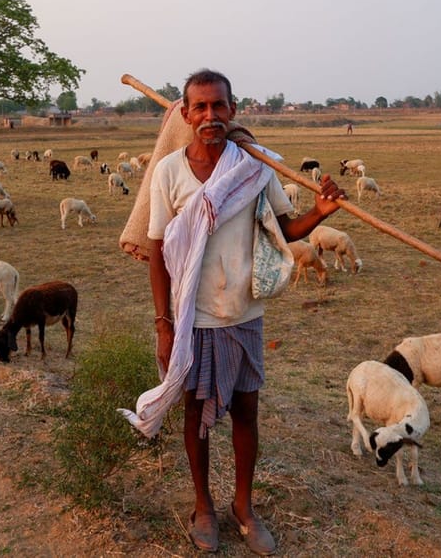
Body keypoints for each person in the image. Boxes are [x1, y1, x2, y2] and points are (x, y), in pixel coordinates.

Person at [147, 69, 346, 555]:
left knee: (246, 412)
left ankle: (243, 507)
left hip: (244, 313)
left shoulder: (254, 167)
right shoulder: (170, 171)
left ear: (233, 111)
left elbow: (287, 229)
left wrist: (320, 212)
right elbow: (156, 249)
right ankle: (203, 506)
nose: (210, 116)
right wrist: (163, 323)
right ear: (185, 113)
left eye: (219, 106)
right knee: (196, 415)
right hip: (193, 317)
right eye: (200, 107)